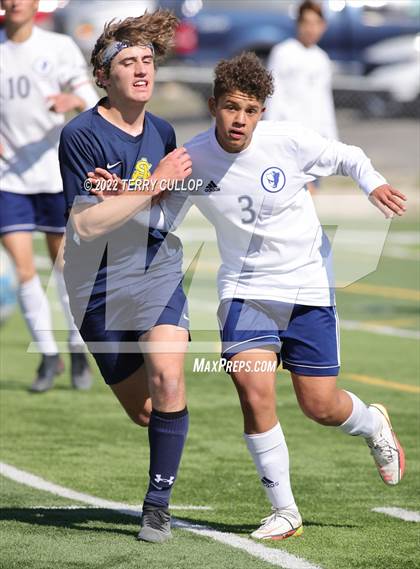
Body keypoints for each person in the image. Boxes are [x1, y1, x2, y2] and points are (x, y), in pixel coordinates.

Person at [118, 51, 406, 541]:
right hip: (244, 291)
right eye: (232, 107)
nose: (240, 120)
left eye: (250, 110)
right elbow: (161, 220)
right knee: (254, 394)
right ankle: (285, 511)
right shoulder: (192, 157)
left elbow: (348, 156)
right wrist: (140, 193)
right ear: (213, 105)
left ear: (262, 113)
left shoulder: (288, 141)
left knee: (320, 405)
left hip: (306, 284)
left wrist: (372, 184)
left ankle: (372, 423)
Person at [59, 11, 192, 543]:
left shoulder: (162, 130)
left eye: (147, 60)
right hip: (96, 286)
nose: (142, 70)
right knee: (144, 410)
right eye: (128, 62)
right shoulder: (81, 135)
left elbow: (167, 204)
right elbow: (87, 226)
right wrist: (147, 187)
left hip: (156, 269)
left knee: (168, 377)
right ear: (103, 76)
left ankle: (157, 504)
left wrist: (134, 196)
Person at [0, 0, 98, 392]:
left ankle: (76, 349)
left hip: (56, 175)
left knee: (65, 267)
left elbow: (91, 100)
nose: (14, 2)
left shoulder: (57, 46)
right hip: (9, 178)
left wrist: (71, 100)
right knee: (23, 268)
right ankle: (47, 355)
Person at [265, 1, 337, 192]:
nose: (311, 28)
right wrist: (272, 135)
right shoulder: (283, 52)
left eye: (316, 23)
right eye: (306, 22)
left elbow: (325, 102)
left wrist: (332, 141)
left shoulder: (322, 58)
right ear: (298, 24)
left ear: (323, 26)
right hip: (288, 142)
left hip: (314, 144)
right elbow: (274, 97)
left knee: (307, 204)